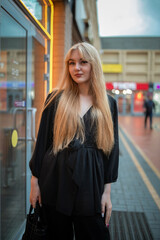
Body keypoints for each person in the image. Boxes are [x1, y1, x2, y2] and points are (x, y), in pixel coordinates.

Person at [29, 42, 119, 240]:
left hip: (90, 182)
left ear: (93, 64)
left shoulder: (108, 103)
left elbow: (111, 150)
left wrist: (107, 193)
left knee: (94, 232)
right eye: (71, 63)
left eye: (83, 62)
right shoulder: (56, 99)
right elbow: (43, 142)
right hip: (55, 179)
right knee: (56, 234)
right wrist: (35, 182)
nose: (76, 68)